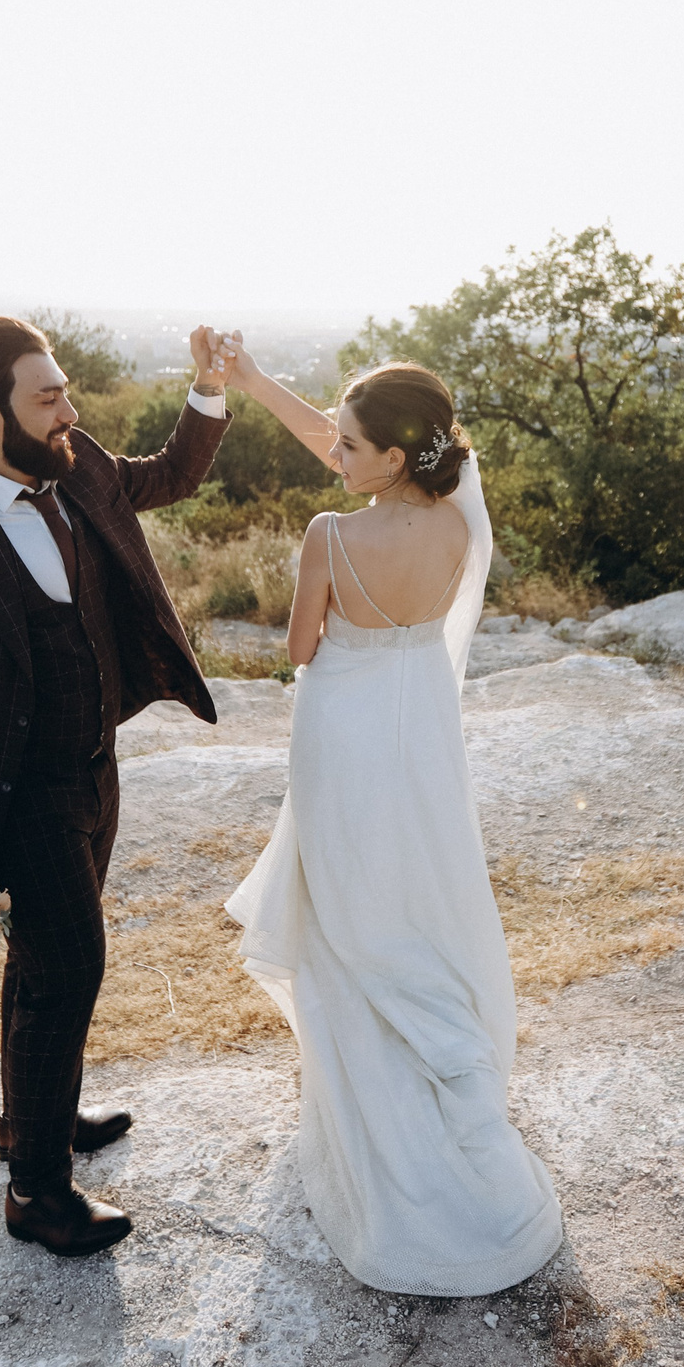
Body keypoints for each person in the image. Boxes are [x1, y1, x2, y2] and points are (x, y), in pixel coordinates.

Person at [0, 314, 233, 1258]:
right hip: (9, 791)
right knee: (69, 964)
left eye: (66, 391)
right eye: (49, 396)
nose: (70, 409)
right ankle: (36, 1190)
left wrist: (208, 389)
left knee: (41, 960)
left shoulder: (79, 466)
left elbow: (174, 476)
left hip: (94, 772)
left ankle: (32, 1119)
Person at [218, 342, 566, 1296]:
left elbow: (300, 647)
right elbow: (340, 441)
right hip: (424, 726)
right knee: (418, 883)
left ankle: (366, 1098)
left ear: (392, 455)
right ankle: (443, 1050)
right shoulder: (459, 518)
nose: (333, 449)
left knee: (344, 899)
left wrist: (323, 616)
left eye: (349, 442)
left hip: (342, 722)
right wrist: (251, 383)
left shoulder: (329, 535)